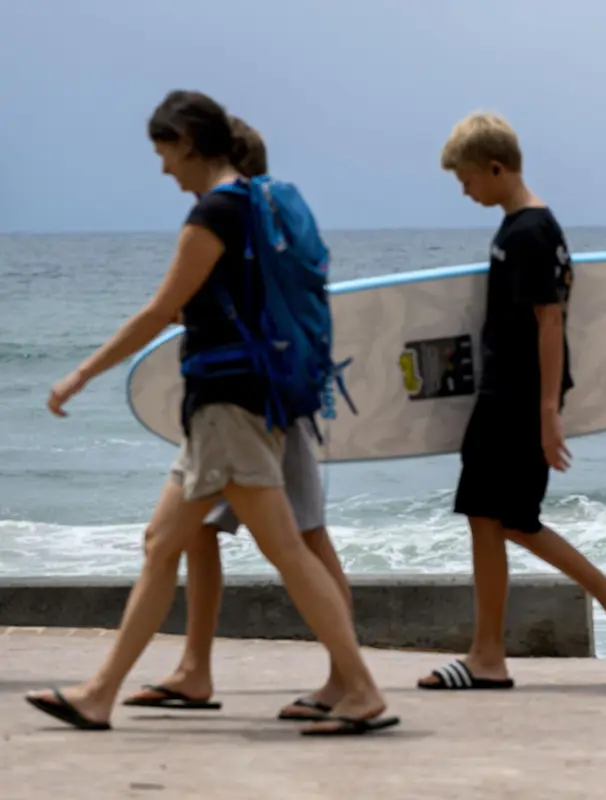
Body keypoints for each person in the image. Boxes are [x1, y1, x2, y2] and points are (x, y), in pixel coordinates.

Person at [26, 89, 397, 736]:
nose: (163, 168)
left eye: (164, 151)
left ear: (188, 142)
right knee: (162, 542)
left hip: (229, 407)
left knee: (286, 549)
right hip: (232, 406)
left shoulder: (216, 213)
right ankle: (101, 693)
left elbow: (157, 311)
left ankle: (360, 687)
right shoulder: (253, 204)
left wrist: (80, 375)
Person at [119, 117, 355, 722]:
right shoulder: (261, 231)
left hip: (264, 407)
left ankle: (347, 680)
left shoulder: (248, 220)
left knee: (302, 538)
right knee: (193, 531)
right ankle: (194, 669)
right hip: (264, 399)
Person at [418, 111, 606, 691]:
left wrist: (547, 413)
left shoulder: (528, 232)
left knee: (503, 518)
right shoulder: (525, 227)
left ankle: (502, 651)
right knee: (493, 517)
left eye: (468, 177)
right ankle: (502, 647)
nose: (464, 189)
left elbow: (550, 322)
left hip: (517, 397)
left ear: (497, 167)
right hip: (511, 393)